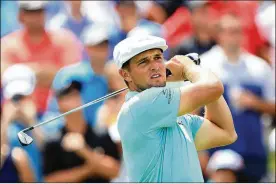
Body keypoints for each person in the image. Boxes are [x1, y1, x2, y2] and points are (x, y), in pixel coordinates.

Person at [113, 35, 237, 182]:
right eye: (143, 62)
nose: (155, 66)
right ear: (125, 74)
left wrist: (194, 74)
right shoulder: (140, 105)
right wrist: (189, 69)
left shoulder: (178, 118)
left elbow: (226, 132)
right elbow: (213, 88)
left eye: (158, 57)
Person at [200, 14, 275, 182]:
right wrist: (199, 151)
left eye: (238, 31)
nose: (235, 36)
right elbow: (194, 110)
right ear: (219, 35)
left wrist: (255, 103)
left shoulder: (260, 67)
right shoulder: (205, 65)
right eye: (230, 31)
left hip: (253, 150)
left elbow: (273, 106)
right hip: (217, 152)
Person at [1, 1, 82, 116]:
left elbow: (71, 78)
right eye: (29, 12)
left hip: (57, 113)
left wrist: (20, 74)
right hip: (17, 112)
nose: (35, 16)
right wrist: (47, 73)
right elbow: (3, 77)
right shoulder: (7, 44)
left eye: (39, 11)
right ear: (20, 15)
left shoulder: (65, 40)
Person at [42, 80, 121, 183]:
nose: (75, 98)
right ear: (59, 103)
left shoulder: (101, 134)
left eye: (76, 94)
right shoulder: (53, 141)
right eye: (68, 95)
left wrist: (84, 150)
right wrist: (87, 170)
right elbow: (50, 180)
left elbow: (115, 171)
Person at [45, 24, 110, 128]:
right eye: (96, 45)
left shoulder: (112, 76)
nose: (100, 49)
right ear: (87, 48)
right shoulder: (68, 74)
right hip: (67, 133)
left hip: (98, 135)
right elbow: (54, 112)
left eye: (104, 45)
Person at [1, 64, 44, 181]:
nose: (19, 102)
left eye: (24, 96)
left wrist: (31, 121)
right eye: (15, 97)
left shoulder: (44, 119)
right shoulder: (3, 123)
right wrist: (6, 122)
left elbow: (46, 151)